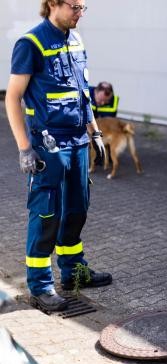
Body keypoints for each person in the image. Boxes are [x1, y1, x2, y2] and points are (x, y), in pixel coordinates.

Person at [5, 0, 113, 312]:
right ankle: (40, 286)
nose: (80, 13)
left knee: (78, 208)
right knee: (46, 213)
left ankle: (73, 271)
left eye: (83, 7)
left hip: (78, 140)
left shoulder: (76, 40)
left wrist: (95, 131)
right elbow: (12, 98)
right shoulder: (31, 43)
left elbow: (83, 92)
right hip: (47, 145)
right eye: (74, 7)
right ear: (53, 4)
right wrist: (25, 147)